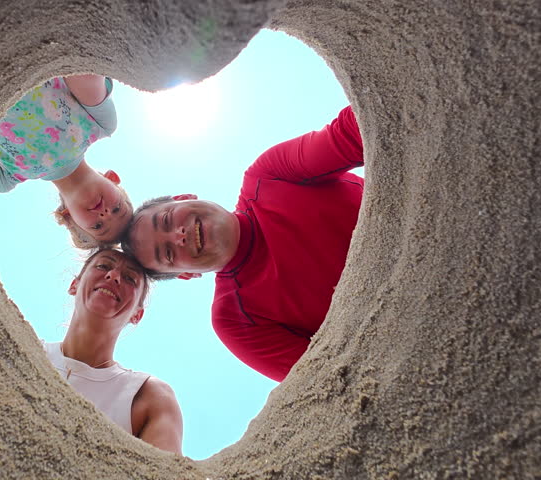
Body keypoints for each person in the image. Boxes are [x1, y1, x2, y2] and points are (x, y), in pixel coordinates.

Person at [121, 106, 364, 382]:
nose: (179, 236)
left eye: (165, 220)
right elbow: (326, 377)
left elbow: (353, 135)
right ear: (187, 273)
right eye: (167, 253)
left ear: (184, 196)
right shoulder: (234, 320)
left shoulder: (267, 175)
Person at [44, 248, 184, 454]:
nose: (114, 276)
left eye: (130, 278)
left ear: (137, 315)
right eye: (103, 266)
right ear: (74, 284)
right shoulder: (22, 345)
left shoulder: (148, 395)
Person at [0, 75, 132, 247]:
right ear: (112, 178)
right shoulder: (101, 125)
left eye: (98, 226)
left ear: (69, 217)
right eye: (117, 209)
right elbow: (82, 69)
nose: (106, 214)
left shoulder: (5, 178)